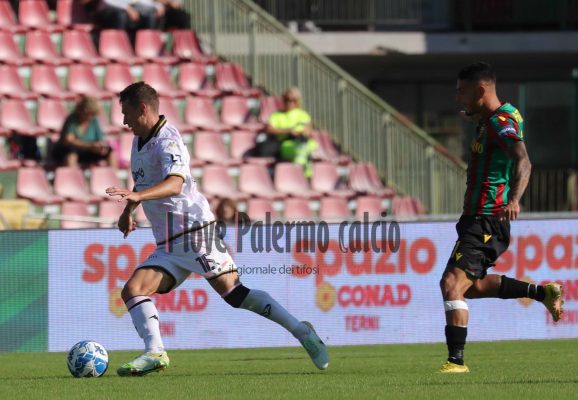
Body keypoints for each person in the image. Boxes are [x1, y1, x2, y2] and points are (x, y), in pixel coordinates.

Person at [105, 82, 328, 376]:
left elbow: (175, 183)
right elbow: (143, 183)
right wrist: (128, 212)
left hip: (196, 232)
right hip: (169, 242)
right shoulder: (138, 141)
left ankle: (303, 332)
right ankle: (155, 352)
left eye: (127, 113)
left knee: (235, 294)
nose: (124, 121)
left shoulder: (168, 140)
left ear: (143, 108)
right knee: (133, 290)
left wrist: (138, 197)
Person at [439, 62, 564, 373]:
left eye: (463, 92)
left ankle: (456, 362)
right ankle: (542, 292)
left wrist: (515, 199)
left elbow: (524, 161)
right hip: (475, 219)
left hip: (487, 218)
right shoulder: (491, 120)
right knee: (471, 287)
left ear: (481, 90)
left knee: (451, 283)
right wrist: (474, 114)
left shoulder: (500, 123)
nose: (458, 98)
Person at [262, 87, 317, 177]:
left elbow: (308, 130)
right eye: (287, 100)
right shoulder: (277, 115)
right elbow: (269, 129)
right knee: (302, 150)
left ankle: (300, 169)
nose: (290, 102)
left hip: (302, 141)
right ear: (283, 100)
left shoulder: (303, 114)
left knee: (306, 146)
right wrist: (288, 131)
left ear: (298, 101)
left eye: (293, 100)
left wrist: (300, 132)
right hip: (286, 144)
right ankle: (301, 171)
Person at [52, 96, 116, 168]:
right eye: (88, 114)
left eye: (92, 114)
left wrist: (99, 147)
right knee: (71, 155)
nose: (90, 117)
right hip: (69, 151)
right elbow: (69, 141)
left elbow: (100, 139)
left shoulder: (94, 120)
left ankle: (113, 173)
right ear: (81, 111)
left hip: (88, 151)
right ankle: (72, 174)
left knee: (110, 152)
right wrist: (89, 146)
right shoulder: (72, 119)